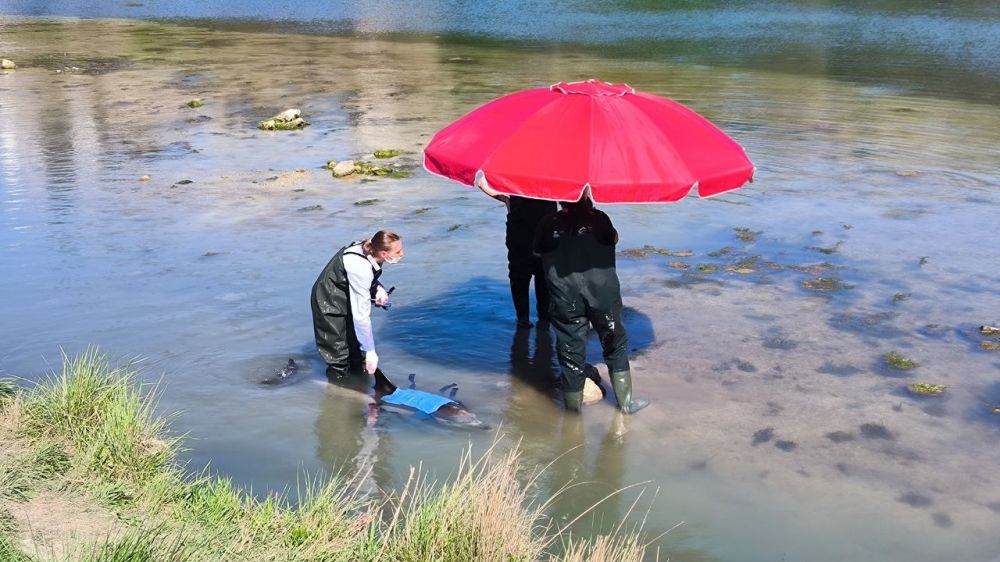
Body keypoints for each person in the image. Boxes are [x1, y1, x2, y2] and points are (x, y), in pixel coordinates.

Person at [533, 194, 648, 414]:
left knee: (570, 350)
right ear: (587, 197)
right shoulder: (600, 219)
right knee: (614, 342)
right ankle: (625, 404)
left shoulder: (548, 223)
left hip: (564, 295)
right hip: (603, 294)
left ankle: (573, 414)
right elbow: (613, 239)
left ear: (561, 199)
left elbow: (537, 252)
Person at [311, 230, 403, 378]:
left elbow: (367, 278)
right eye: (398, 251)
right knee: (339, 357)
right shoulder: (360, 267)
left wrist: (378, 288)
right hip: (328, 301)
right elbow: (361, 317)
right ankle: (337, 388)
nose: (402, 253)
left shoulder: (371, 249)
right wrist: (371, 351)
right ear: (384, 254)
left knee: (356, 353)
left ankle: (360, 385)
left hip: (345, 294)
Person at [476, 174, 557, 327]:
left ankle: (523, 318)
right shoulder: (550, 177)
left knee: (519, 276)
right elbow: (569, 197)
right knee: (544, 276)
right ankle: (544, 318)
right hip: (544, 230)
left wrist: (506, 200)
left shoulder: (516, 174)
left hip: (519, 231)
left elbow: (481, 183)